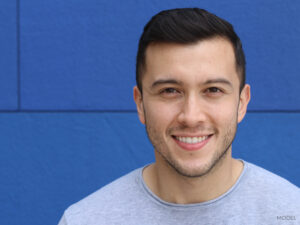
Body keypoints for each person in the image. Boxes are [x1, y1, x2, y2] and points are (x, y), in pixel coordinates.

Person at [58, 8, 300, 225]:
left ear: (241, 103)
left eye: (213, 90)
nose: (191, 116)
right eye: (170, 91)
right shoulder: (86, 219)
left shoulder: (292, 213)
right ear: (140, 104)